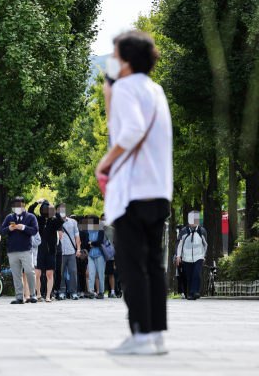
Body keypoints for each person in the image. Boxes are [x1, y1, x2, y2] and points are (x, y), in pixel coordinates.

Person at [96, 30, 172, 355]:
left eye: (114, 54)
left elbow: (132, 129)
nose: (112, 60)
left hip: (132, 192)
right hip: (159, 190)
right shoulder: (155, 89)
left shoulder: (126, 88)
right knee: (154, 263)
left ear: (124, 59)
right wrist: (110, 85)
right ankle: (155, 334)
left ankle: (139, 333)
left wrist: (105, 163)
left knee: (131, 265)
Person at [0, 197, 39, 304]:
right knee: (16, 274)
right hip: (12, 250)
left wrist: (23, 228)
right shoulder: (9, 217)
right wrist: (9, 229)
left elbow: (35, 230)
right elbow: (2, 231)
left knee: (30, 271)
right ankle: (19, 297)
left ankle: (33, 295)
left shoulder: (31, 217)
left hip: (26, 250)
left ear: (23, 205)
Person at [28, 200, 63, 302]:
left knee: (49, 274)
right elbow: (30, 211)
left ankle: (48, 295)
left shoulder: (54, 221)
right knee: (37, 274)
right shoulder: (38, 219)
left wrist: (53, 208)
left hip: (51, 251)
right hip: (39, 251)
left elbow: (61, 220)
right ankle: (38, 294)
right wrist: (37, 202)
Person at [175, 211, 208, 300]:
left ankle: (195, 291)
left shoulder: (202, 231)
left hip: (199, 257)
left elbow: (205, 244)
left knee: (196, 273)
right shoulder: (184, 231)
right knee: (189, 276)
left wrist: (204, 256)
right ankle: (191, 293)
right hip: (187, 258)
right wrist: (178, 256)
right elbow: (179, 244)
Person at [56, 203, 81, 300]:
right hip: (60, 252)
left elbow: (77, 236)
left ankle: (73, 292)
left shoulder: (73, 222)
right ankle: (62, 292)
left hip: (71, 251)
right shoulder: (55, 221)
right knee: (60, 273)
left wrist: (78, 249)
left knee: (73, 271)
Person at [85, 215, 106, 299]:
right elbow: (86, 242)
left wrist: (91, 243)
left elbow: (100, 242)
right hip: (91, 255)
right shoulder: (88, 231)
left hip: (100, 254)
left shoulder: (101, 230)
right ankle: (91, 291)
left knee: (100, 274)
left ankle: (101, 292)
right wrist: (92, 244)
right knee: (91, 274)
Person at [101, 213, 119, 298]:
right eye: (103, 219)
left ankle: (112, 291)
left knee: (110, 274)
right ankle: (99, 291)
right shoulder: (98, 229)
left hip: (110, 255)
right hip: (100, 255)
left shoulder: (112, 230)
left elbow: (116, 243)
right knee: (99, 274)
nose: (104, 221)